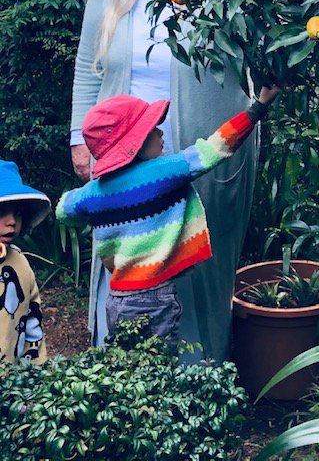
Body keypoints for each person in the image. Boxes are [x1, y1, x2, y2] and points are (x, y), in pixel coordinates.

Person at [70, 0, 259, 362]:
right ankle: (124, 368)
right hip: (124, 157)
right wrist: (78, 139)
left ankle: (201, 371)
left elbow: (261, 44)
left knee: (199, 255)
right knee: (128, 253)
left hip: (204, 146)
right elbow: (88, 68)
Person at [58, 87, 279, 350]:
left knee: (127, 364)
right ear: (135, 144)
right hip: (154, 296)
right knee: (158, 364)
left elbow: (64, 210)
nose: (161, 133)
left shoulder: (92, 193)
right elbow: (216, 147)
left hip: (116, 299)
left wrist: (96, 206)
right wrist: (257, 108)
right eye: (152, 129)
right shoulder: (163, 172)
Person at [0, 160, 49, 364]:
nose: (11, 221)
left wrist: (36, 368)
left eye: (17, 213)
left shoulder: (20, 263)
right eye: (1, 211)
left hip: (13, 377)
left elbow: (32, 317)